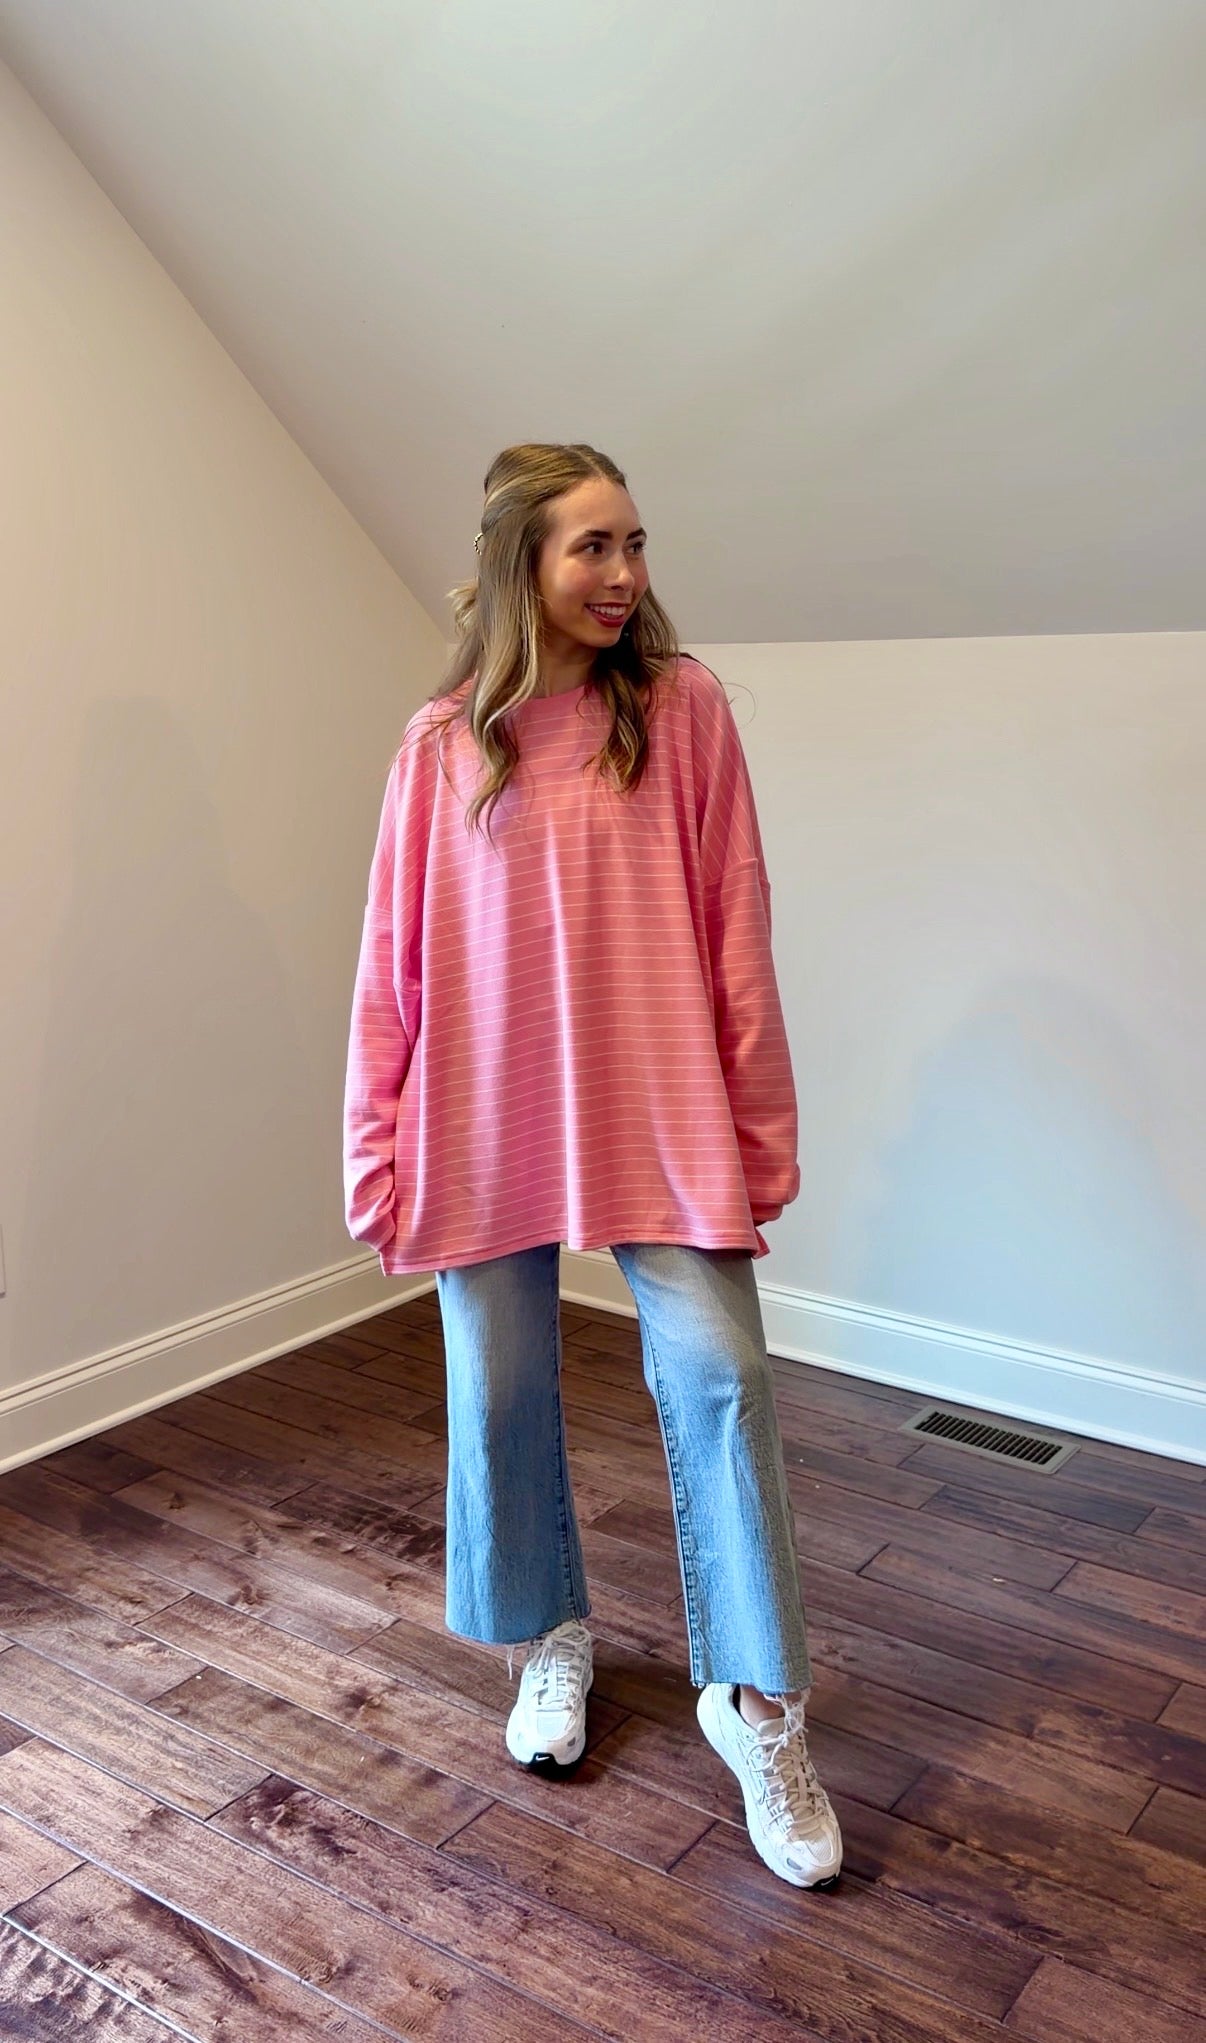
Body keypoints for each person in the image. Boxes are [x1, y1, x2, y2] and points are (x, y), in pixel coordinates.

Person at [342, 441, 842, 1890]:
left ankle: (756, 1702)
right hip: (479, 1112)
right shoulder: (442, 743)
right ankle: (548, 1638)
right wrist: (376, 1141)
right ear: (521, 564)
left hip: (659, 1103)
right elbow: (394, 963)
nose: (626, 577)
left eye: (635, 546)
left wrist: (756, 1129)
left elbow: (733, 923)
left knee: (723, 1381)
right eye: (592, 549)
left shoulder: (680, 714)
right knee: (496, 1390)